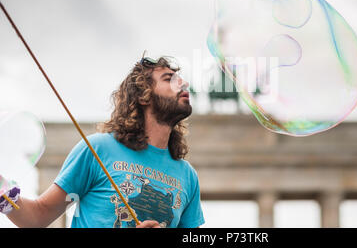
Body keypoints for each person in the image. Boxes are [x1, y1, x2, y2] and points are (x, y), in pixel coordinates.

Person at [0, 56, 205, 228]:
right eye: (169, 79)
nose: (183, 83)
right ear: (144, 96)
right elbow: (38, 216)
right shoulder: (97, 149)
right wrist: (3, 194)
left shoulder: (187, 176)